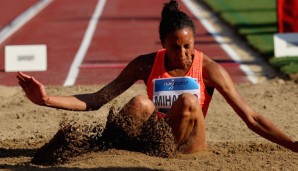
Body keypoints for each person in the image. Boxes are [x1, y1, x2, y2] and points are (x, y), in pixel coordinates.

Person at [17, 0, 297, 154]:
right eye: (176, 47)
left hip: (189, 146)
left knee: (188, 101)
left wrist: (293, 146)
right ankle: (111, 151)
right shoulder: (145, 64)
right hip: (155, 142)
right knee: (140, 103)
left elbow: (251, 118)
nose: (184, 53)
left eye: (188, 45)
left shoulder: (210, 69)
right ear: (163, 43)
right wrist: (46, 99)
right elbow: (97, 99)